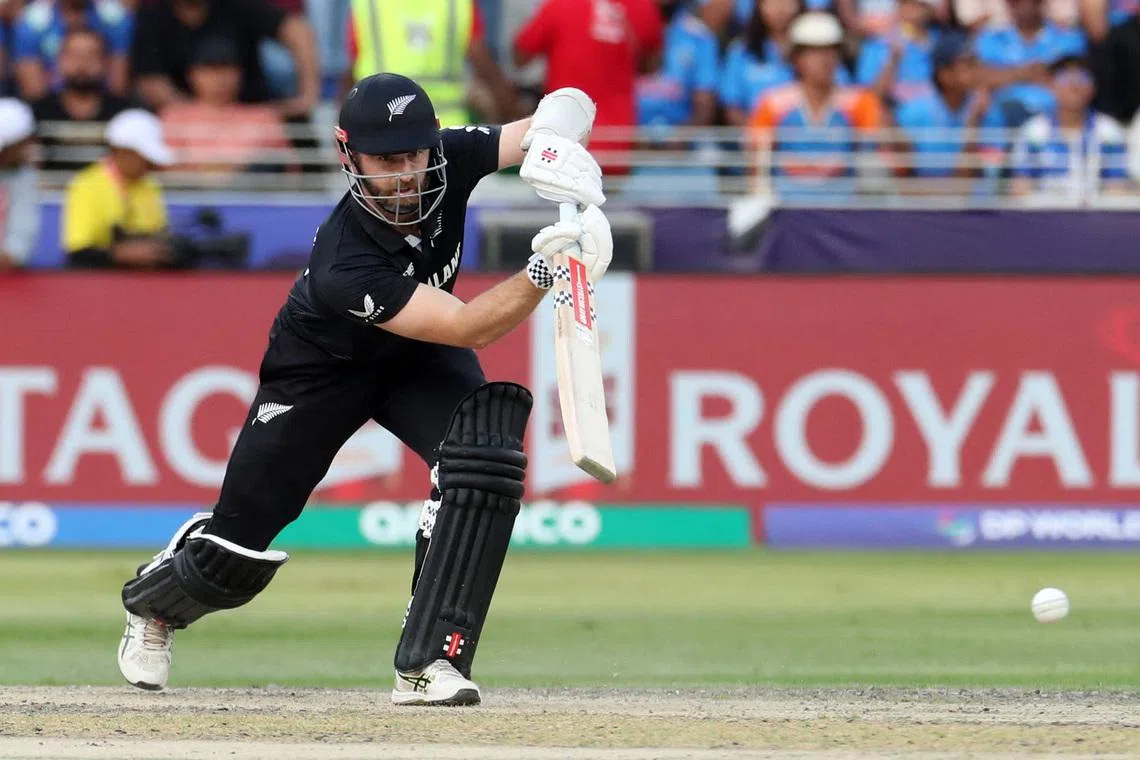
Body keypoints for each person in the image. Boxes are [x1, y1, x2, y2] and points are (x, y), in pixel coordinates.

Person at [115, 73, 614, 706]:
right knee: (235, 554)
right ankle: (153, 604)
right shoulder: (343, 263)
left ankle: (430, 661)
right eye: (385, 160)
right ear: (347, 153)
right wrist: (546, 269)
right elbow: (469, 327)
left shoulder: (449, 155)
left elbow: (563, 111)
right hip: (321, 372)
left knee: (482, 461)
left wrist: (559, 148)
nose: (405, 175)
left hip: (419, 358)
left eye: (414, 156)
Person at [748, 12, 884, 201]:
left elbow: (872, 158)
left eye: (830, 51)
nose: (824, 59)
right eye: (813, 52)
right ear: (796, 58)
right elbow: (758, 165)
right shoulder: (772, 103)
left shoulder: (860, 102)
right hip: (786, 205)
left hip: (844, 205)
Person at [344, 0, 520, 126]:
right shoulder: (459, 4)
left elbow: (350, 68)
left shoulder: (367, 4)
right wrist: (515, 115)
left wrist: (345, 125)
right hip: (446, 130)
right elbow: (481, 61)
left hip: (381, 129)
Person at [160, 35, 292, 184]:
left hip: (251, 193)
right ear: (191, 74)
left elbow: (284, 170)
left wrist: (226, 173)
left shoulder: (265, 116)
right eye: (210, 70)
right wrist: (218, 174)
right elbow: (165, 168)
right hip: (190, 193)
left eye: (226, 70)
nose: (219, 79)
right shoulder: (174, 116)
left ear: (240, 73)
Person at [63, 107, 174, 267]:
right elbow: (77, 253)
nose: (150, 166)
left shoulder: (149, 184)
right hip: (100, 279)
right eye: (145, 158)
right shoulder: (86, 185)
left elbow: (159, 231)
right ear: (122, 151)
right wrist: (119, 254)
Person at [1009, 53, 1130, 199]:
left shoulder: (1109, 131)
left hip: (1096, 210)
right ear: (1051, 85)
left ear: (1093, 87)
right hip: (1044, 210)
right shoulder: (1034, 131)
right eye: (1065, 78)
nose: (1074, 86)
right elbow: (1021, 186)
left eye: (1083, 78)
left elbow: (1117, 186)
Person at [31, 27, 135, 173]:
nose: (82, 64)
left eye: (91, 56)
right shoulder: (36, 113)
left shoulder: (125, 115)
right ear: (59, 60)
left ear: (106, 62)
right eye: (74, 56)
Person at [10, 0, 132, 100]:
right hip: (50, 105)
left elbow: (118, 86)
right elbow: (33, 90)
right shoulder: (32, 21)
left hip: (103, 103)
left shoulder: (114, 17)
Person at [0, 97, 40, 270]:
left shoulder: (24, 177)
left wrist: (11, 255)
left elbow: (16, 252)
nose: (29, 147)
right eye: (24, 142)